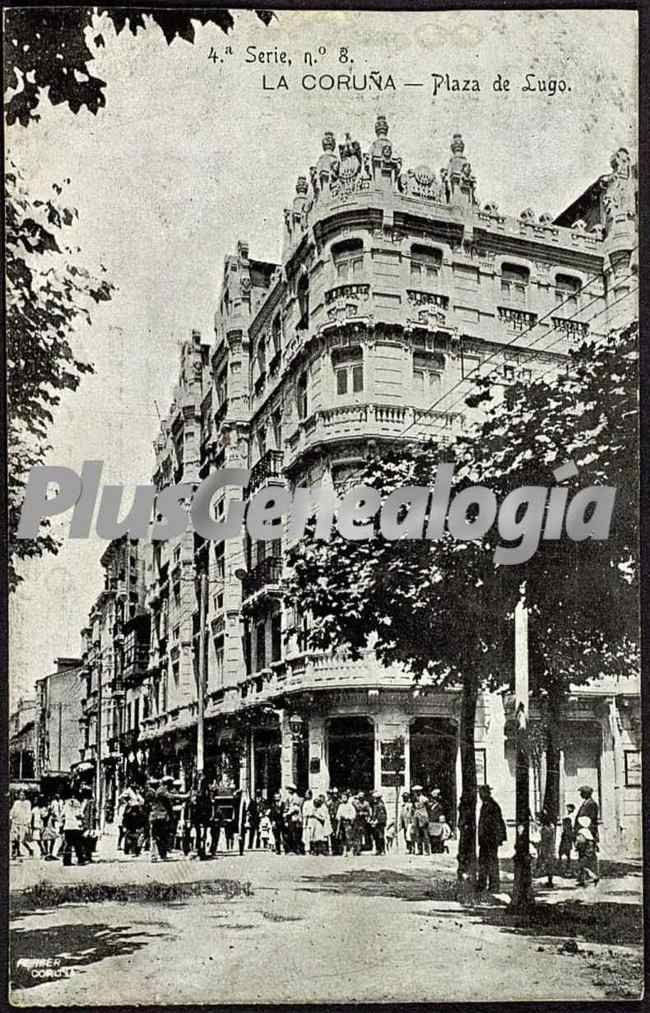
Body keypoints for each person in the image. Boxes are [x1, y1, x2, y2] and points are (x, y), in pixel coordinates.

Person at [477, 785, 507, 892]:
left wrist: (495, 838)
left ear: (487, 793)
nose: (480, 795)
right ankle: (483, 884)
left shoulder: (492, 806)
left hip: (490, 840)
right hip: (485, 840)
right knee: (483, 862)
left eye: (482, 793)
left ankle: (493, 885)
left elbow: (495, 824)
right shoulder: (486, 805)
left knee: (491, 862)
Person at [575, 785, 599, 880]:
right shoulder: (585, 803)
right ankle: (583, 876)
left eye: (582, 792)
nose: (580, 794)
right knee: (582, 854)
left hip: (587, 833)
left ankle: (591, 875)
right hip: (582, 832)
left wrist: (588, 833)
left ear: (586, 793)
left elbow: (591, 820)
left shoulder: (592, 804)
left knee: (588, 854)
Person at [149, 778, 172, 862]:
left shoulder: (156, 791)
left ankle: (159, 855)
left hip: (156, 816)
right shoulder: (161, 791)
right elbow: (170, 796)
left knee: (159, 836)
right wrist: (186, 796)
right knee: (158, 836)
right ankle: (156, 855)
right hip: (159, 817)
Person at [61, 789, 86, 866]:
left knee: (68, 844)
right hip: (75, 826)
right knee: (77, 844)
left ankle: (66, 861)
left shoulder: (66, 804)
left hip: (68, 826)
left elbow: (62, 815)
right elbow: (79, 815)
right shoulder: (77, 804)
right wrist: (82, 818)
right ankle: (80, 860)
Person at [575, 815, 600, 886]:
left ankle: (593, 877)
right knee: (587, 864)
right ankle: (582, 880)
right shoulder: (588, 831)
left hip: (584, 850)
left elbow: (580, 841)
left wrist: (577, 845)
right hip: (590, 849)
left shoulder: (581, 832)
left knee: (582, 865)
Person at [534, 809, 556, 888]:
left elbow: (543, 840)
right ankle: (550, 881)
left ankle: (549, 882)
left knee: (547, 863)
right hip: (550, 848)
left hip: (546, 848)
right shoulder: (551, 826)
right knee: (549, 864)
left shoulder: (545, 829)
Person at [10, 791, 33, 860]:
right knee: (14, 839)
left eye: (23, 795)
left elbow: (29, 813)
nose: (22, 796)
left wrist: (28, 822)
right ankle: (14, 853)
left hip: (23, 823)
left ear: (25, 796)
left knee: (22, 840)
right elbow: (12, 811)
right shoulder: (16, 803)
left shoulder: (27, 803)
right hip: (15, 822)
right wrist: (11, 816)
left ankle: (30, 850)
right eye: (20, 795)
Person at [283, 785, 303, 855]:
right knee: (290, 833)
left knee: (294, 833)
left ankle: (295, 849)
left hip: (294, 818)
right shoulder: (289, 797)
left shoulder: (295, 797)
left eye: (289, 789)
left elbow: (295, 808)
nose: (288, 790)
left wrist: (287, 813)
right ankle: (291, 849)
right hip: (290, 817)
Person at [335, 791, 356, 856]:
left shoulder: (350, 806)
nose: (343, 798)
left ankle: (351, 851)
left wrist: (347, 817)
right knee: (343, 838)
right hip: (341, 823)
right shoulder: (340, 806)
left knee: (349, 837)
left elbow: (354, 814)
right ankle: (344, 851)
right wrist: (339, 817)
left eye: (345, 797)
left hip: (348, 823)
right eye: (342, 797)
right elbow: (338, 814)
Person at [80, 786, 98, 863]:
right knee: (86, 840)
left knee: (88, 840)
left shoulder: (87, 802)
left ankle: (88, 856)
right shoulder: (87, 802)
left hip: (88, 824)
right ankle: (86, 856)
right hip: (87, 824)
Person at [411, 786, 431, 856]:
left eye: (417, 791)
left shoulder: (424, 799)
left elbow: (428, 808)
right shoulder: (414, 799)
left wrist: (426, 818)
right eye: (415, 792)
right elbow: (414, 808)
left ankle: (426, 850)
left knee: (425, 834)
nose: (415, 793)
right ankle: (420, 850)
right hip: (417, 817)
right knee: (418, 834)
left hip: (423, 817)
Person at [558, 803, 575, 874]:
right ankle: (561, 865)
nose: (567, 809)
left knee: (567, 851)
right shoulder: (567, 815)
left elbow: (570, 826)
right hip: (565, 835)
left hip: (567, 836)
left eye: (569, 808)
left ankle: (567, 867)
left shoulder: (571, 816)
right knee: (561, 851)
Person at [370, 790, 387, 855]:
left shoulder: (380, 805)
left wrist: (376, 821)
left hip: (380, 823)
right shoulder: (375, 805)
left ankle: (382, 850)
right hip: (376, 822)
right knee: (376, 836)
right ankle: (378, 850)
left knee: (380, 836)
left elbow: (381, 815)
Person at [327, 789, 342, 855]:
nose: (335, 795)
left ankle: (339, 849)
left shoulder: (339, 802)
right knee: (332, 834)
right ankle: (333, 849)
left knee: (338, 834)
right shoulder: (330, 803)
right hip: (332, 820)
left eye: (336, 793)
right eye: (334, 794)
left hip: (338, 820)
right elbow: (328, 810)